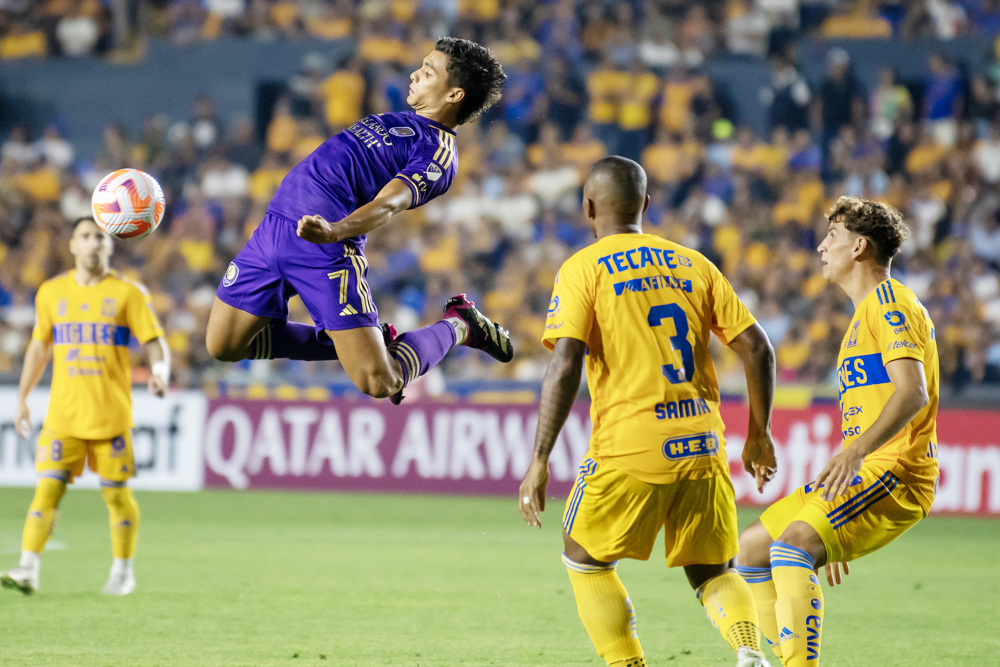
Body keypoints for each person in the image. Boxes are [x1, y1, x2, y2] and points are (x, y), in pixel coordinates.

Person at [518, 156, 779, 667]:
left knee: (583, 559)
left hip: (629, 447)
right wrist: (759, 434)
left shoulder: (582, 268)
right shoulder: (693, 263)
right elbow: (757, 347)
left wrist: (539, 458)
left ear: (588, 206)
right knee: (713, 568)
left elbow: (566, 360)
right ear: (646, 204)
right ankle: (749, 651)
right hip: (703, 446)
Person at [205, 38, 513, 404]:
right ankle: (359, 342)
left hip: (326, 249)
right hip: (276, 227)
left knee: (381, 381)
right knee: (223, 345)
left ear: (453, 95)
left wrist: (335, 231)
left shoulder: (439, 154)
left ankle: (460, 324)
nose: (415, 73)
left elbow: (389, 204)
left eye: (429, 72)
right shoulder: (401, 120)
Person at [735, 196, 939, 667]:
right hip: (865, 474)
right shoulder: (862, 316)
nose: (822, 247)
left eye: (833, 237)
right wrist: (834, 524)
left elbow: (913, 392)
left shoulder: (890, 303)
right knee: (751, 550)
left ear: (860, 247)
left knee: (790, 546)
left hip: (897, 470)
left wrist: (855, 456)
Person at [1, 217, 170, 596]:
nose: (94, 243)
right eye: (86, 236)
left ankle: (123, 572)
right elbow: (39, 345)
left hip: (110, 416)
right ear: (73, 245)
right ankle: (27, 568)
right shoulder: (50, 292)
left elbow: (154, 339)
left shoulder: (128, 293)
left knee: (115, 495)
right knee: (47, 490)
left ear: (111, 246)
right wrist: (23, 398)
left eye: (101, 237)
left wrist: (159, 370)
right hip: (63, 416)